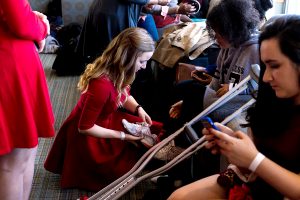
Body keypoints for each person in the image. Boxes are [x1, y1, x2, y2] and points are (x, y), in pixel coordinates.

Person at [168, 14, 300, 200]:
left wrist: (253, 160)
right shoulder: (274, 102)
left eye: (275, 66)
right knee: (178, 197)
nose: (266, 77)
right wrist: (233, 144)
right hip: (256, 184)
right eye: (265, 67)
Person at [44, 27, 164, 191]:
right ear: (127, 57)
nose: (144, 66)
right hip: (89, 133)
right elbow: (84, 127)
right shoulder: (101, 85)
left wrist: (138, 109)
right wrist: (123, 136)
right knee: (123, 169)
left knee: (155, 129)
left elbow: (124, 94)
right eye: (142, 61)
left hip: (105, 119)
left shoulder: (119, 70)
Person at [169, 0, 261, 128]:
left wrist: (235, 87)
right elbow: (216, 81)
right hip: (221, 99)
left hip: (238, 102)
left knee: (192, 91)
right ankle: (171, 136)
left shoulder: (256, 49)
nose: (215, 39)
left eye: (219, 34)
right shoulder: (227, 47)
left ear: (232, 31)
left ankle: (173, 140)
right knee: (183, 90)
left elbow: (260, 87)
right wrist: (186, 102)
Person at [0, 0, 55, 199]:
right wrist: (40, 25)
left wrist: (30, 15)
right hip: (8, 64)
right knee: (13, 162)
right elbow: (20, 22)